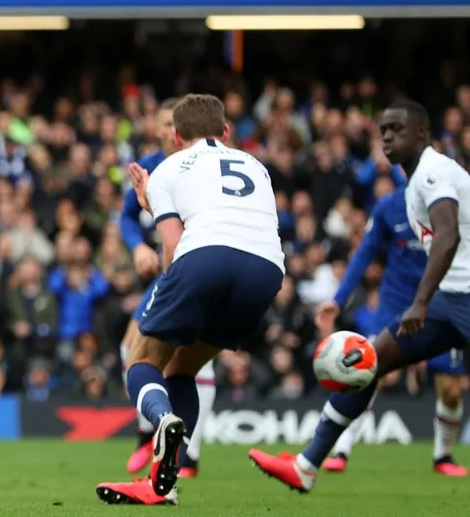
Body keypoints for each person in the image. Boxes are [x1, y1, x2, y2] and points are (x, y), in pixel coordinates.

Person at [250, 100, 470, 493]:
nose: (387, 136)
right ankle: (306, 465)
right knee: (368, 363)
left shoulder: (434, 173)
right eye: (382, 129)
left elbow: (448, 234)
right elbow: (370, 250)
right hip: (447, 299)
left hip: (459, 297)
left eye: (397, 129)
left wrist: (419, 301)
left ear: (422, 132)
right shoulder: (411, 185)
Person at [96, 94, 285, 505]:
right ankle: (163, 485)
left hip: (204, 258)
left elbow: (174, 246)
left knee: (141, 359)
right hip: (267, 272)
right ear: (227, 131)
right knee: (183, 368)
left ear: (176, 135)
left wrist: (150, 204)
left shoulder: (166, 169)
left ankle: (163, 420)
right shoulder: (258, 166)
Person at [314, 185, 466, 476]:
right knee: (364, 372)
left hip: (441, 302)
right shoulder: (389, 206)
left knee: (450, 390)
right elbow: (365, 252)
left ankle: (443, 456)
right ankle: (341, 449)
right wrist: (338, 299)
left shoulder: (451, 205)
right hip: (396, 303)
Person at [119, 97, 217, 479]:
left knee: (185, 358)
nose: (165, 130)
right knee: (137, 348)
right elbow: (127, 216)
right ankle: (152, 433)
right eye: (160, 123)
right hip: (170, 269)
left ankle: (184, 450)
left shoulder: (199, 167)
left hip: (189, 268)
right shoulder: (150, 167)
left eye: (169, 123)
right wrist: (138, 245)